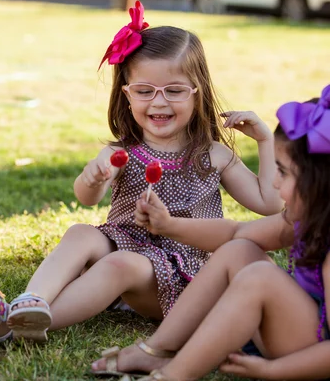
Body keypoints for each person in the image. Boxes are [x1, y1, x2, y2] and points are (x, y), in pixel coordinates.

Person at [0, 1, 283, 343]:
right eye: (145, 91)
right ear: (127, 94)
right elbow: (87, 198)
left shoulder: (212, 155)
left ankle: (14, 329)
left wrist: (265, 141)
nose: (159, 103)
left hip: (182, 276)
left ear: (198, 93)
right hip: (125, 248)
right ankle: (30, 302)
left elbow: (269, 203)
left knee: (120, 264)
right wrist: (92, 179)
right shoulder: (122, 153)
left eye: (175, 91)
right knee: (81, 232)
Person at [90, 85, 330, 380]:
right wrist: (169, 226)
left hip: (308, 355)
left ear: (321, 183)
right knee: (238, 249)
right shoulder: (305, 219)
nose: (276, 184)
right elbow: (236, 233)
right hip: (290, 333)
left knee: (260, 277)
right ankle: (157, 350)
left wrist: (274, 370)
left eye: (284, 172)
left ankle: (174, 375)